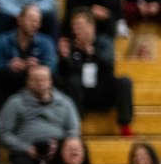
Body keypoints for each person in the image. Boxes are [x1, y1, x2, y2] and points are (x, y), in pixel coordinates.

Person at [0, 66, 80, 164]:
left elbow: (74, 129)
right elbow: (3, 132)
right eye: (36, 80)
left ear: (50, 81)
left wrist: (61, 146)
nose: (40, 83)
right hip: (25, 151)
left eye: (44, 79)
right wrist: (25, 148)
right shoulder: (15, 102)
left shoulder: (65, 102)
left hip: (58, 150)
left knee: (74, 159)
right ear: (28, 81)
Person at [57, 8, 135, 136]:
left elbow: (109, 64)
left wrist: (91, 52)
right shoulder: (71, 46)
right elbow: (66, 74)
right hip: (83, 94)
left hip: (103, 90)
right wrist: (64, 58)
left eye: (79, 26)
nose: (76, 30)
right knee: (72, 82)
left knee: (125, 82)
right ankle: (76, 127)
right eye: (74, 27)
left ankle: (125, 127)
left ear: (91, 26)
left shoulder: (104, 41)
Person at [0, 4, 56, 118]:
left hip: (35, 83)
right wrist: (7, 65)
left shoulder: (45, 42)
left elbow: (53, 65)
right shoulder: (3, 40)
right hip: (9, 81)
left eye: (38, 21)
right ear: (20, 20)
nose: (35, 25)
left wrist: (38, 67)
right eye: (31, 20)